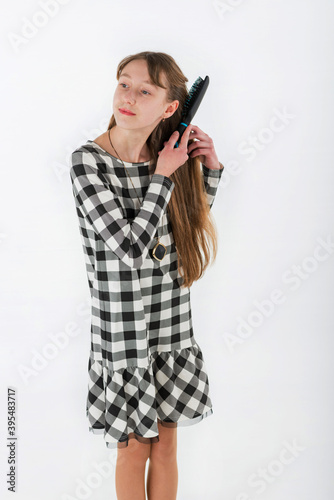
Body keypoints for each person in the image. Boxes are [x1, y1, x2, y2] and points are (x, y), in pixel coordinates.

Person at [69, 51, 224, 500]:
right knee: (135, 448)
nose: (128, 97)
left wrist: (208, 170)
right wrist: (162, 175)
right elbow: (131, 247)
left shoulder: (168, 156)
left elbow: (182, 229)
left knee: (168, 444)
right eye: (124, 83)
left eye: (145, 91)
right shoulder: (88, 163)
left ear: (170, 107)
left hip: (170, 317)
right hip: (125, 330)